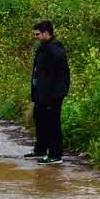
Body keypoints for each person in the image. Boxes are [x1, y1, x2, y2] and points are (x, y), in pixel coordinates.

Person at [26, 20, 70, 165]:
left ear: (46, 33)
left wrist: (54, 95)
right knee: (39, 120)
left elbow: (60, 74)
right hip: (41, 94)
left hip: (52, 95)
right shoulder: (44, 47)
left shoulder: (55, 49)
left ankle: (55, 155)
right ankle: (40, 149)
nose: (35, 37)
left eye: (37, 34)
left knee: (52, 124)